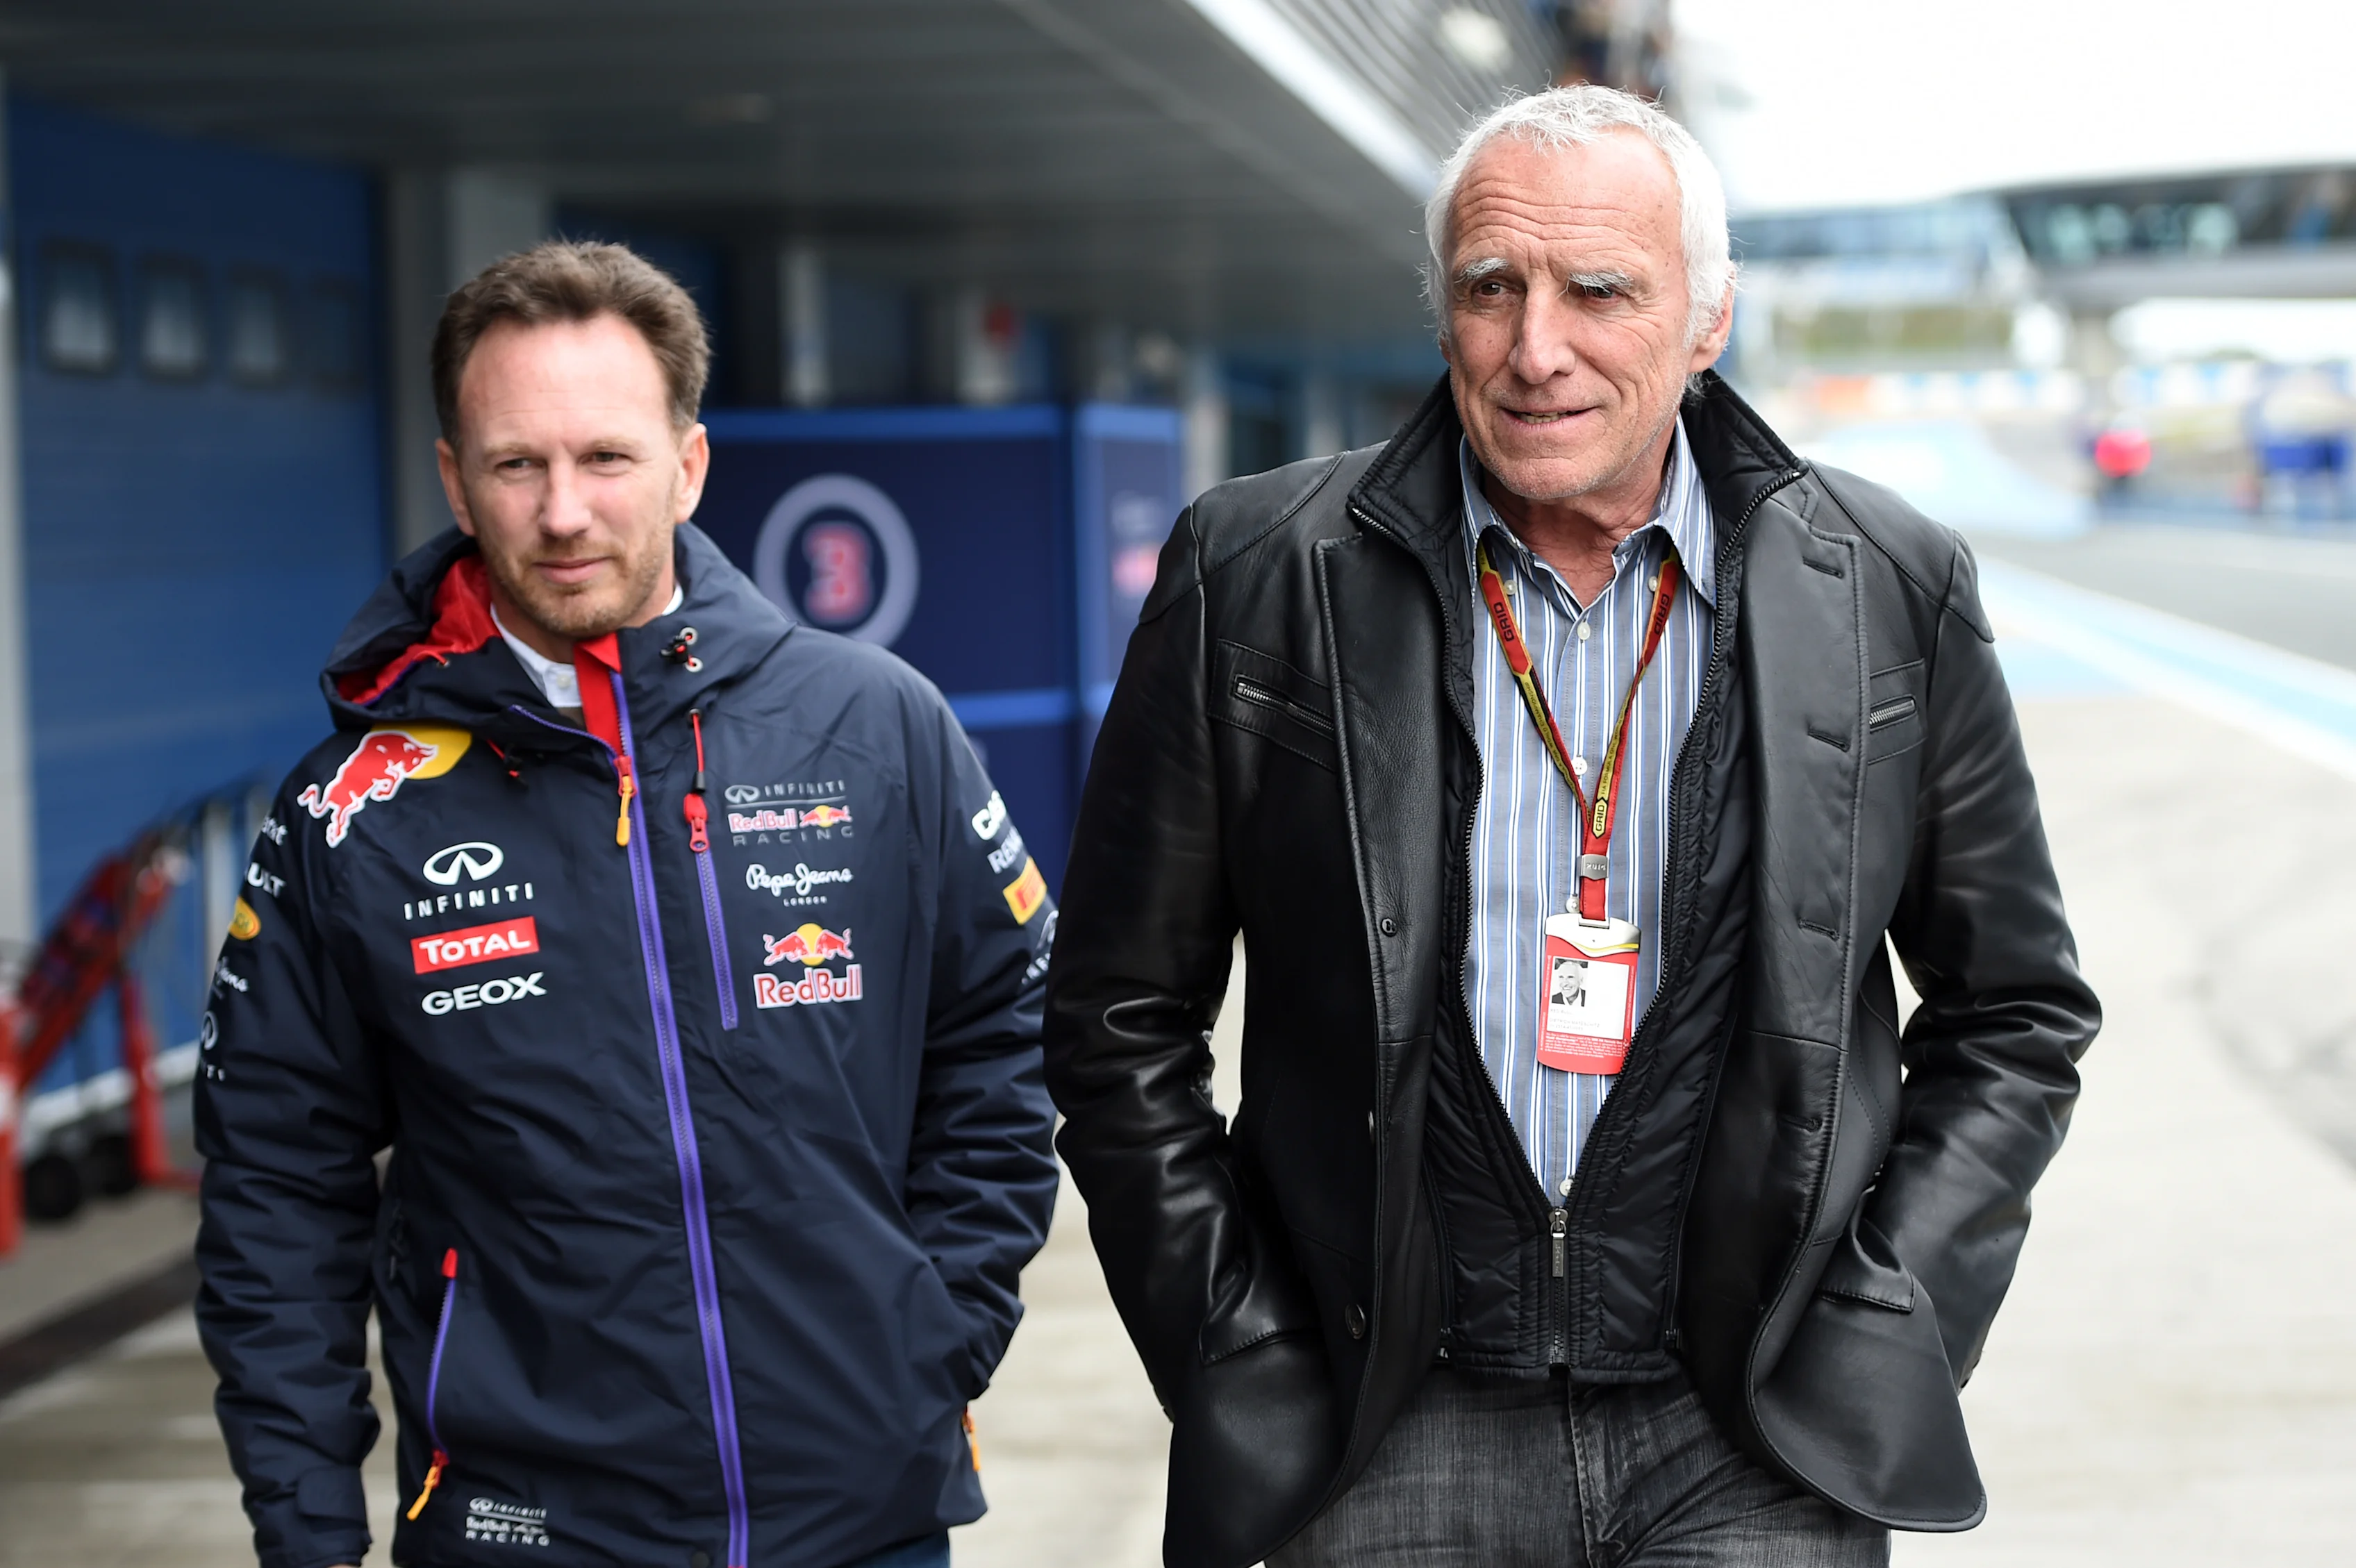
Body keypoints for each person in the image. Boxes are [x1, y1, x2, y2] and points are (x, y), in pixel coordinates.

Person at [1044, 85, 2100, 1568]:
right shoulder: (1258, 570)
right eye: (1491, 288)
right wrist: (1234, 1332)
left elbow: (2015, 1009)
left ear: (1705, 318)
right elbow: (1114, 1013)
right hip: (1383, 1425)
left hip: (1746, 1432)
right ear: (1444, 310)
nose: (1537, 348)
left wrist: (1885, 1309)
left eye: (1599, 290)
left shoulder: (1882, 589)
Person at [196, 241, 1059, 1568]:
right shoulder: (354, 810)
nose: (562, 512)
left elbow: (1006, 1024)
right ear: (453, 480)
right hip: (521, 1528)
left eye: (605, 457)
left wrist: (936, 1328)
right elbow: (274, 1184)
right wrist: (305, 1524)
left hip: (860, 1517)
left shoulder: (877, 726)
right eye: (515, 464)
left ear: (689, 462)